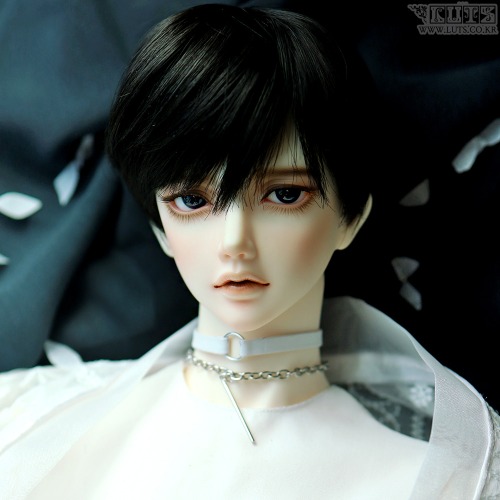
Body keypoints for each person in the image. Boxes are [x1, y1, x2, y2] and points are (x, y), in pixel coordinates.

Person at [0, 4, 498, 499]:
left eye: (284, 194)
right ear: (160, 229)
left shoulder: (444, 481)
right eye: (192, 201)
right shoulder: (26, 418)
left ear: (351, 217)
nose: (235, 242)